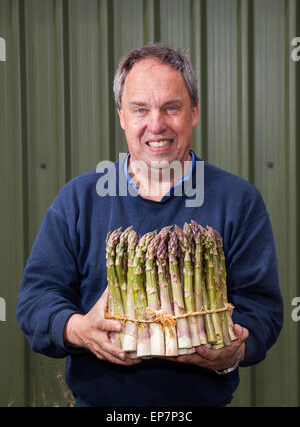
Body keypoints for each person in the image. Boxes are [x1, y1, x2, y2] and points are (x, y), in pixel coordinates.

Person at [16, 43, 283, 407]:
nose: (155, 125)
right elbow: (35, 302)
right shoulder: (78, 199)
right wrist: (79, 330)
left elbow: (263, 311)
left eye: (171, 107)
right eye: (140, 109)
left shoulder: (238, 200)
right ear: (122, 115)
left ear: (194, 112)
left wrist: (232, 352)